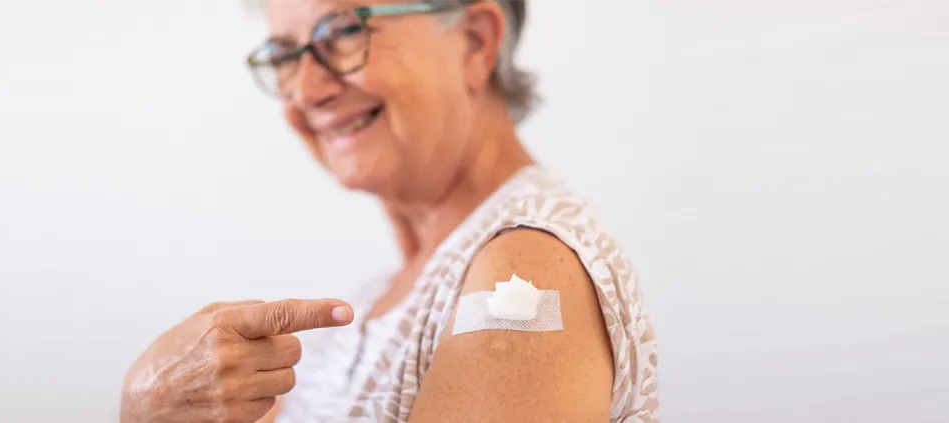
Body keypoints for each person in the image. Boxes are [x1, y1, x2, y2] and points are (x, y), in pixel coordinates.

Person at [119, 0, 658, 422]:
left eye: (346, 31)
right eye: (286, 56)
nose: (306, 90)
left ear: (474, 43)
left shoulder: (524, 272)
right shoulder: (374, 299)